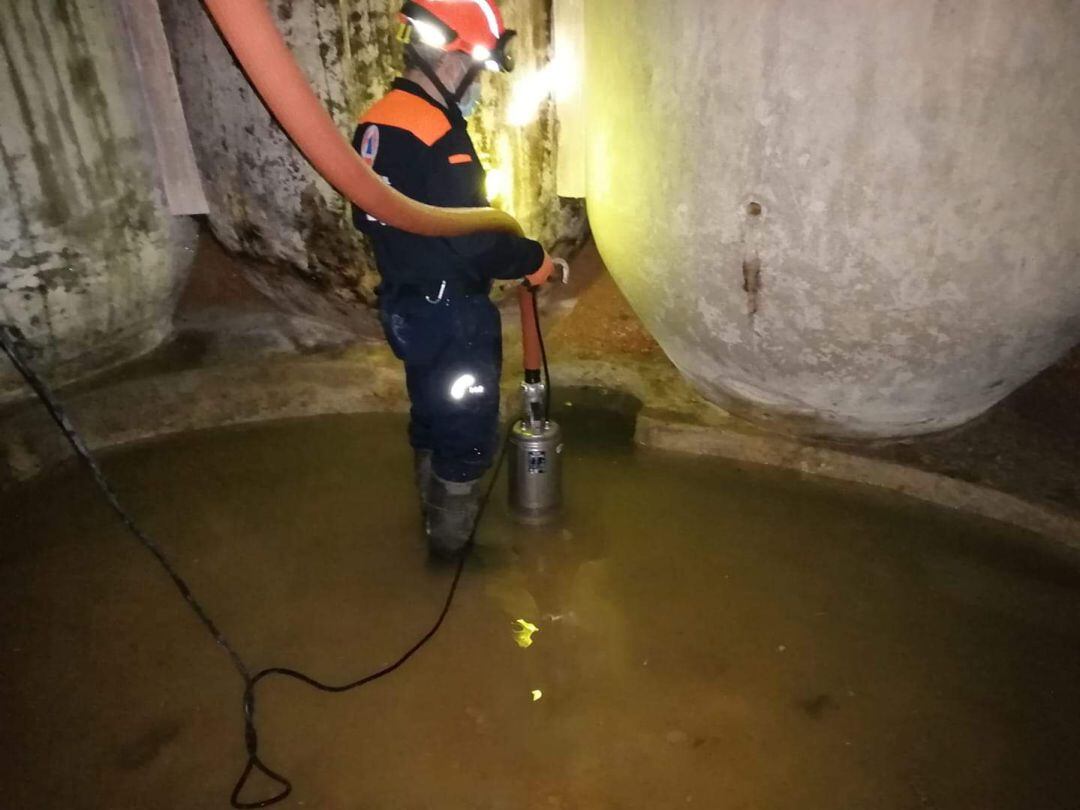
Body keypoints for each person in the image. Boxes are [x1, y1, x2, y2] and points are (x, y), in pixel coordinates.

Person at [352, 0, 554, 559]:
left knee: (431, 413)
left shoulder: (379, 117)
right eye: (479, 71)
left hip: (406, 305)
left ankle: (430, 520)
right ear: (453, 60)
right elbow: (472, 235)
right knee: (465, 428)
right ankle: (450, 552)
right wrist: (532, 259)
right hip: (452, 316)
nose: (479, 87)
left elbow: (367, 214)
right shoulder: (437, 132)